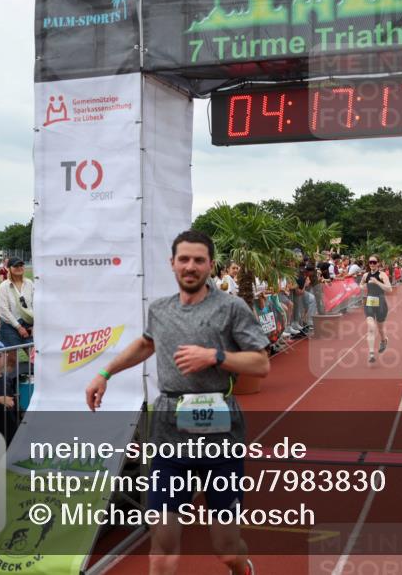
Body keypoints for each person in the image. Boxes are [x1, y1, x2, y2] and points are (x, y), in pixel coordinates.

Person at [84, 230, 269, 575]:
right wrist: (104, 374)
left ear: (210, 265)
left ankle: (242, 569)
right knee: (162, 548)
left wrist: (214, 356)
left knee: (227, 549)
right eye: (184, 259)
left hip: (221, 439)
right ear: (172, 264)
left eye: (199, 260)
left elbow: (261, 363)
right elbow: (145, 344)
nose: (191, 266)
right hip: (171, 437)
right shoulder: (161, 310)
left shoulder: (231, 307)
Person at [359, 256, 392, 364]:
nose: (372, 264)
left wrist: (377, 282)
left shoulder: (382, 275)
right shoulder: (365, 275)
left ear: (378, 263)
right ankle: (371, 353)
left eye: (374, 262)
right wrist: (363, 286)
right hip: (369, 302)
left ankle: (384, 340)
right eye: (370, 262)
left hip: (381, 303)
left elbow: (389, 289)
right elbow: (361, 284)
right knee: (371, 327)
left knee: (380, 329)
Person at [0, 258, 34, 350]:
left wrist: (34, 325)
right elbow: (3, 309)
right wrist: (18, 327)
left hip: (28, 324)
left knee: (34, 357)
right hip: (10, 326)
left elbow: (35, 305)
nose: (19, 268)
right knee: (11, 359)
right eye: (15, 266)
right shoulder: (4, 286)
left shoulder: (29, 283)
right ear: (9, 268)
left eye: (21, 265)